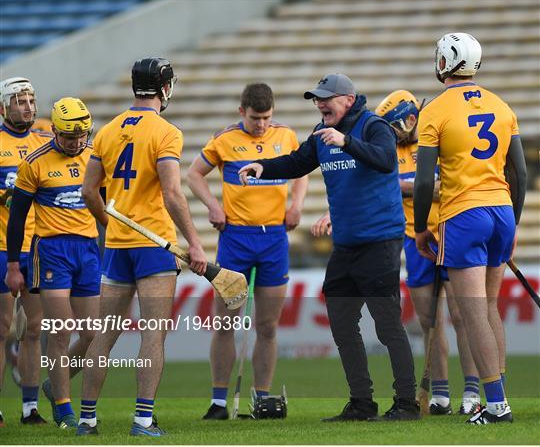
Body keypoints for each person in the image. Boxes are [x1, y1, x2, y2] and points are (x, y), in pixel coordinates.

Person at [239, 74, 419, 421]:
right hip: (347, 246)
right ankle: (362, 402)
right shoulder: (322, 136)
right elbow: (296, 162)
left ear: (348, 100)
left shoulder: (374, 126)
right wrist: (263, 167)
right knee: (339, 320)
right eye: (316, 99)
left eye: (326, 98)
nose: (320, 104)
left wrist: (346, 141)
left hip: (380, 241)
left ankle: (407, 403)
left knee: (387, 325)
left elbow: (385, 159)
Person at [78, 57, 207, 437]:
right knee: (154, 332)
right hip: (154, 245)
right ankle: (143, 420)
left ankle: (87, 420)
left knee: (105, 333)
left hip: (117, 245)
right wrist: (195, 243)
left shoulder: (107, 130)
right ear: (165, 88)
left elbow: (88, 191)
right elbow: (171, 192)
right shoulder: (166, 132)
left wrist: (109, 224)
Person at [414, 32, 527, 424]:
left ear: (444, 63)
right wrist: (513, 226)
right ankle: (501, 395)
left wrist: (420, 228)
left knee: (473, 310)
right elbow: (521, 174)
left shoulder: (435, 110)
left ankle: (495, 405)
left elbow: (425, 180)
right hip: (502, 211)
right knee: (490, 307)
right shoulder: (502, 105)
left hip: (464, 214)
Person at [187, 83, 308, 420]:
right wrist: (213, 205)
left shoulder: (286, 136)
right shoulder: (225, 139)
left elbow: (301, 172)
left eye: (267, 118)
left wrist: (296, 205)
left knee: (267, 326)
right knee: (226, 322)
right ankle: (218, 402)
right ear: (242, 112)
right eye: (256, 118)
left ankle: (262, 399)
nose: (262, 125)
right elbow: (194, 174)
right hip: (235, 239)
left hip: (274, 239)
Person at [374, 90, 481, 415]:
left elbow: (461, 181)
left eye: (396, 126)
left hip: (454, 233)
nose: (393, 134)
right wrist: (421, 186)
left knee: (464, 317)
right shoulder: (388, 150)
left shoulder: (441, 136)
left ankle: (473, 393)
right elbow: (384, 187)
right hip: (414, 238)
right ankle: (441, 395)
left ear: (411, 116)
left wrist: (422, 185)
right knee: (429, 320)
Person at [6, 97, 100, 429]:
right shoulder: (35, 163)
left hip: (88, 251)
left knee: (92, 335)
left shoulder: (95, 156)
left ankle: (52, 385)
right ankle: (64, 409)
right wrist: (14, 265)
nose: (76, 143)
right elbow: (17, 218)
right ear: (56, 131)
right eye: (69, 137)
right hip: (52, 253)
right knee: (59, 333)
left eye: (81, 136)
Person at [0, 77, 51, 426]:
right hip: (3, 247)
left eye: (31, 100)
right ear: (4, 107)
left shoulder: (45, 140)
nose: (27, 107)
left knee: (34, 328)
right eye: (19, 101)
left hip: (37, 248)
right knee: (2, 328)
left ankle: (30, 408)